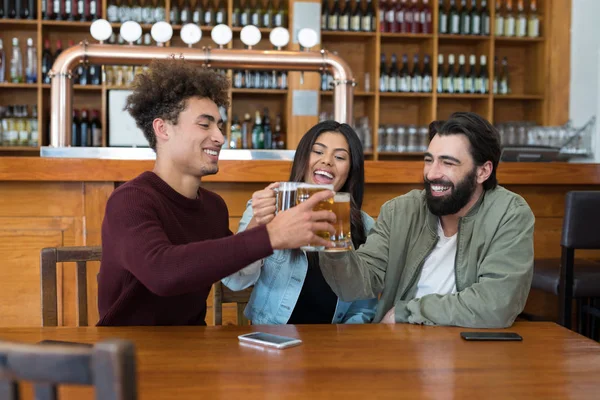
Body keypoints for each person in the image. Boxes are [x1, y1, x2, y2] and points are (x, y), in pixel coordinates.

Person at [96, 58, 336, 326]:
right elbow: (162, 273)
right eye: (205, 124)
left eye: (219, 125)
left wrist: (259, 223)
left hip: (193, 351)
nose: (220, 137)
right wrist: (272, 235)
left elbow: (233, 273)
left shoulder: (213, 206)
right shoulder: (130, 201)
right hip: (126, 355)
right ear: (162, 128)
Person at [319, 112, 535, 328]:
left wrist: (406, 312)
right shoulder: (400, 211)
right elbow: (355, 286)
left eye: (447, 163)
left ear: (483, 171)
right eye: (429, 160)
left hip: (473, 352)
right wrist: (334, 245)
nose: (432, 173)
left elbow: (495, 304)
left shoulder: (509, 214)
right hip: (400, 349)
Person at [223, 121, 378, 324]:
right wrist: (259, 227)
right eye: (318, 152)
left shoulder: (364, 226)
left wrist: (341, 347)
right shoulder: (268, 207)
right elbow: (235, 280)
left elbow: (363, 308)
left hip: (333, 348)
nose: (327, 161)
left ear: (351, 170)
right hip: (272, 343)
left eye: (339, 157)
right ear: (303, 159)